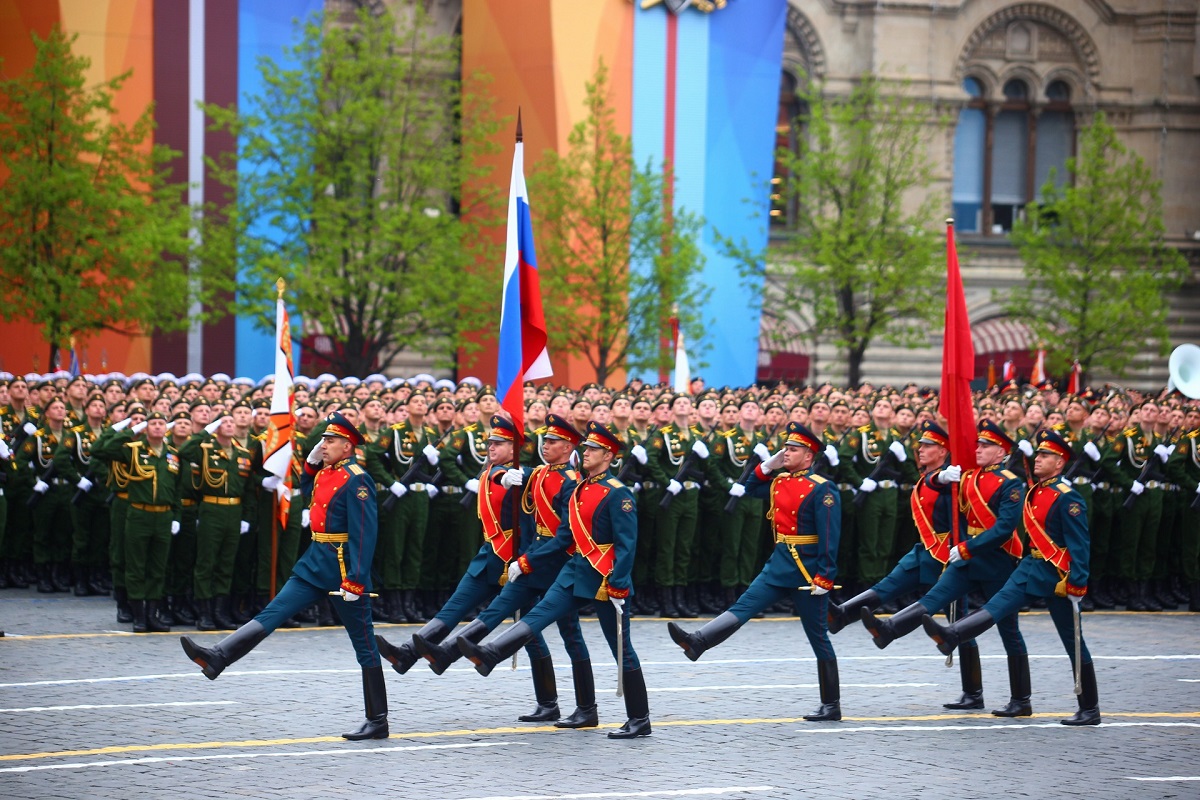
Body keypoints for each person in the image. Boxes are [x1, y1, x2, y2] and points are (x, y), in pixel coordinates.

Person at [180, 411, 389, 740]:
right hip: (315, 560)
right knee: (273, 612)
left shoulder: (357, 478)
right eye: (324, 440)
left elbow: (366, 533)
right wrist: (308, 465)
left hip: (343, 567)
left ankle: (378, 719)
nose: (324, 445)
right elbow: (310, 490)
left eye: (331, 441)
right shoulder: (326, 472)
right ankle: (218, 657)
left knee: (362, 642)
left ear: (348, 447)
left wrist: (357, 580)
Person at [459, 422, 650, 739]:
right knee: (539, 613)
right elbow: (565, 534)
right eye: (585, 448)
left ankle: (639, 718)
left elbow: (627, 545)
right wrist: (530, 558)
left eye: (590, 449)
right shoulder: (579, 489)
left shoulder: (619, 493)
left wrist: (618, 584)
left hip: (605, 576)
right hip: (576, 568)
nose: (584, 452)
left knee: (621, 649)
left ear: (607, 455)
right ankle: (493, 653)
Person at [412, 414, 597, 727]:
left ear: (568, 447)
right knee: (500, 608)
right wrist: (502, 478)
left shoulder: (569, 482)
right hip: (535, 558)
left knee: (571, 635)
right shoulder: (540, 473)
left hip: (558, 563)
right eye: (546, 440)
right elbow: (510, 477)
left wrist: (527, 560)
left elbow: (567, 534)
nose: (545, 445)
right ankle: (451, 654)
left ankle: (587, 708)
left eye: (553, 442)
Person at [921, 428, 1099, 726]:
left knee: (1072, 640)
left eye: (1046, 455)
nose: (1038, 459)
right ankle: (954, 635)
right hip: (1031, 566)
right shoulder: (1035, 491)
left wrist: (1077, 583)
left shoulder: (1068, 498)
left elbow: (1080, 546)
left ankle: (1090, 707)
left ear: (1060, 463)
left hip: (1058, 575)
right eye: (1039, 453)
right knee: (997, 606)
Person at [667, 421, 841, 722]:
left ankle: (831, 703)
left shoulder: (823, 488)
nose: (786, 452)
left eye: (793, 449)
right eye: (785, 447)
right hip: (780, 563)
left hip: (807, 570)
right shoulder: (780, 481)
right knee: (743, 606)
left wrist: (825, 576)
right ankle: (698, 641)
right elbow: (749, 487)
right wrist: (768, 465)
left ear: (809, 455)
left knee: (818, 636)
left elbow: (830, 535)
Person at [860, 420, 1031, 716]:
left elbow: (1004, 529)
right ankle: (889, 629)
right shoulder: (968, 477)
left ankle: (1021, 699)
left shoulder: (1010, 483)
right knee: (933, 599)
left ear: (1001, 452)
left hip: (997, 559)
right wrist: (940, 478)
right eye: (978, 444)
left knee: (1008, 628)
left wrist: (966, 548)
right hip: (966, 557)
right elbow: (932, 484)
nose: (978, 450)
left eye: (986, 446)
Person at [827, 420, 985, 709]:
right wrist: (941, 478)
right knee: (888, 585)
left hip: (948, 554)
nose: (920, 450)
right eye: (920, 445)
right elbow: (931, 483)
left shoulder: (949, 479)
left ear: (943, 451)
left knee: (959, 620)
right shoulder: (934, 476)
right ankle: (841, 615)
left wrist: (951, 480)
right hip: (926, 549)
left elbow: (951, 495)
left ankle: (973, 691)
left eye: (928, 446)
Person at [375, 415, 525, 674]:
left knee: (530, 634)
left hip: (514, 559)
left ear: (514, 449)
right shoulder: (491, 471)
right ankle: (407, 654)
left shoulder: (519, 477)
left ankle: (548, 700)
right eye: (490, 442)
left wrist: (526, 559)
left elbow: (519, 500)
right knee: (454, 606)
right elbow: (495, 477)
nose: (491, 447)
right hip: (489, 554)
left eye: (499, 444)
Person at [91, 411, 182, 632]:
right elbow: (101, 450)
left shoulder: (173, 454)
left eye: (162, 423)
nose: (158, 427)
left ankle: (153, 615)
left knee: (157, 567)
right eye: (153, 424)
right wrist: (130, 430)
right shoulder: (133, 450)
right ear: (146, 428)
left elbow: (177, 488)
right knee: (136, 566)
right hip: (139, 514)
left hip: (163, 515)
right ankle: (138, 615)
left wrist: (176, 516)